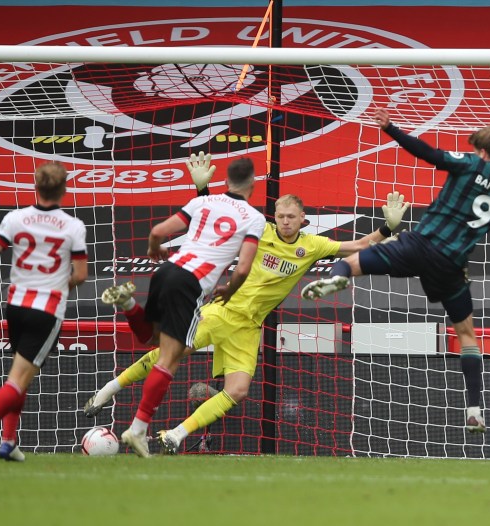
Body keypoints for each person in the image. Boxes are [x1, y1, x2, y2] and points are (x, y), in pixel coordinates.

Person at [85, 159, 409, 455]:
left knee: (238, 391)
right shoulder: (259, 229)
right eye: (280, 216)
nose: (284, 222)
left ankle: (176, 435)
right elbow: (216, 222)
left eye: (291, 217)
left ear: (303, 220)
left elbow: (357, 245)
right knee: (170, 354)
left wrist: (387, 228)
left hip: (249, 327)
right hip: (221, 311)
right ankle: (107, 391)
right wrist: (202, 189)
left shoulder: (313, 246)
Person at [302, 108, 490, 432]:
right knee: (467, 335)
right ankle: (474, 408)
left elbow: (427, 153)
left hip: (417, 245)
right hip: (450, 265)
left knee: (349, 263)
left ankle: (337, 279)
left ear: (483, 151)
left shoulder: (470, 163)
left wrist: (391, 128)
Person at [117, 154, 266, 458]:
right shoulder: (254, 218)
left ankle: (130, 303)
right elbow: (242, 269)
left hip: (166, 271)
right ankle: (137, 429)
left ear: (226, 179)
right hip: (190, 285)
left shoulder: (202, 202)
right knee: (168, 360)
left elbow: (158, 231)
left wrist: (153, 249)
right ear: (252, 183)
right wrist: (229, 289)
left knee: (152, 341)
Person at [0, 161, 88, 462]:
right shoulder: (73, 226)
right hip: (46, 310)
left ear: (35, 185)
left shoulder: (16, 218)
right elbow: (81, 275)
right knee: (18, 380)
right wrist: (59, 282)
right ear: (64, 188)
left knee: (20, 376)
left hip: (15, 306)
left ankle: (8, 442)